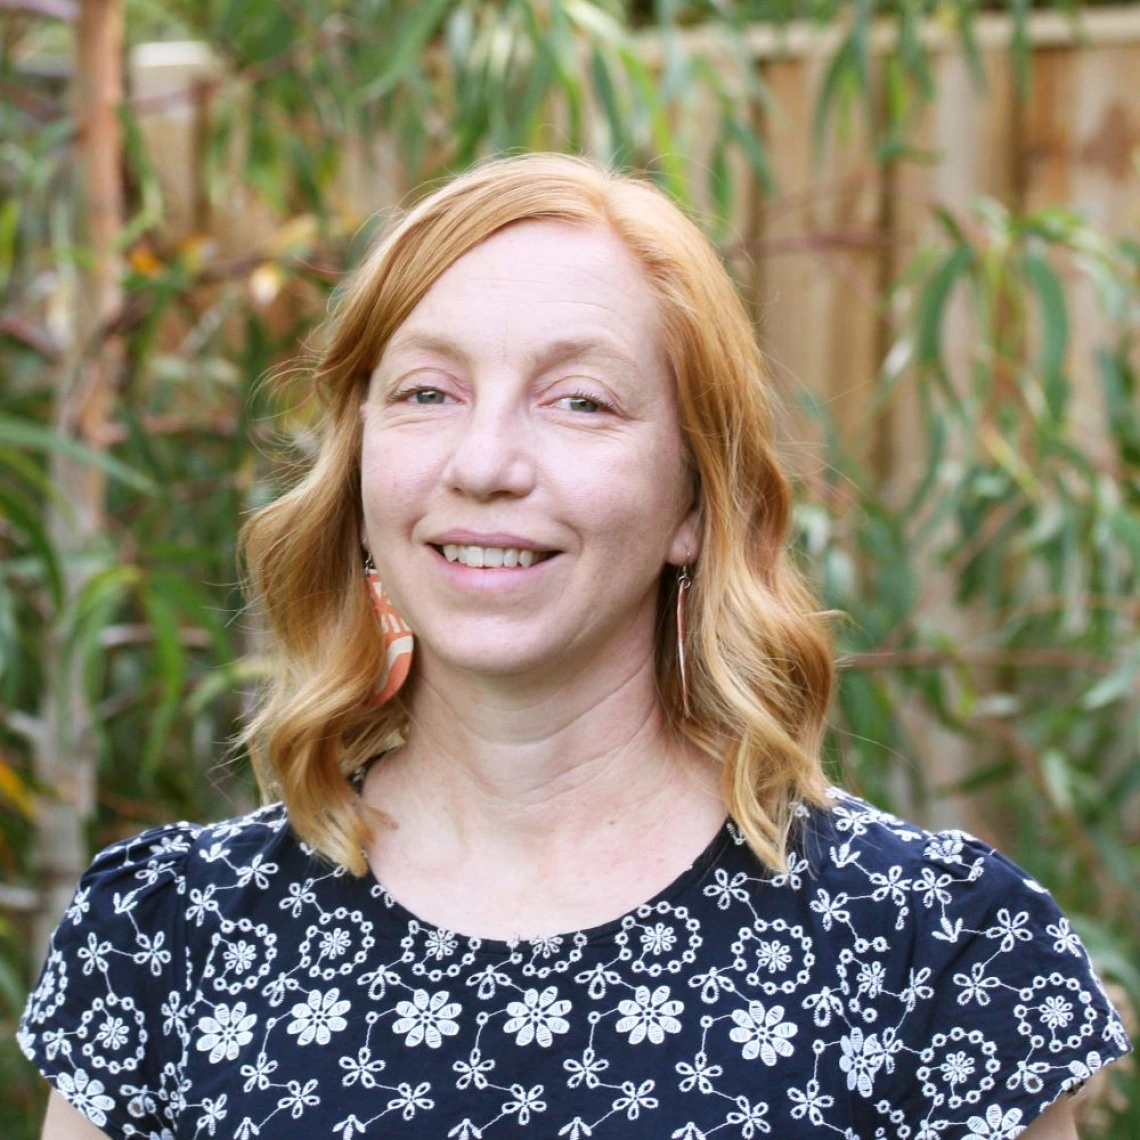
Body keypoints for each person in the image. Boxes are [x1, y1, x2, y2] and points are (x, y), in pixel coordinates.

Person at [20, 153, 1130, 1140]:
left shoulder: (936, 957)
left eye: (581, 402)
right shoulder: (168, 939)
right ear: (359, 479)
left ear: (697, 500)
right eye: (426, 393)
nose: (487, 461)